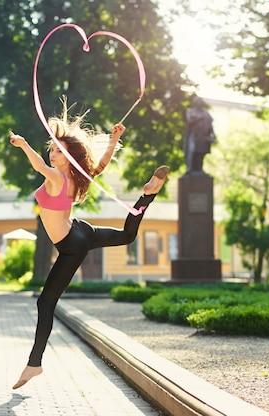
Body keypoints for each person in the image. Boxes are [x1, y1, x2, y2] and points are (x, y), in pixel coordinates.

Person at [9, 99, 169, 389]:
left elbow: (39, 165)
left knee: (46, 302)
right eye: (53, 149)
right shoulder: (78, 175)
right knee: (127, 235)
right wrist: (115, 138)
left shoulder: (57, 176)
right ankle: (147, 196)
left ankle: (34, 364)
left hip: (72, 244)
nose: (53, 153)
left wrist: (23, 145)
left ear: (68, 158)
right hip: (79, 231)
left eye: (59, 151)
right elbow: (102, 164)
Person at [184, 96, 216, 173]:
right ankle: (190, 168)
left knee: (201, 152)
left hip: (203, 136)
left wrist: (213, 135)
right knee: (192, 151)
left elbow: (210, 124)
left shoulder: (205, 112)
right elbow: (189, 121)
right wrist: (200, 118)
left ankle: (199, 169)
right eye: (198, 101)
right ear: (195, 103)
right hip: (194, 136)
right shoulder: (190, 111)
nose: (200, 103)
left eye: (201, 102)